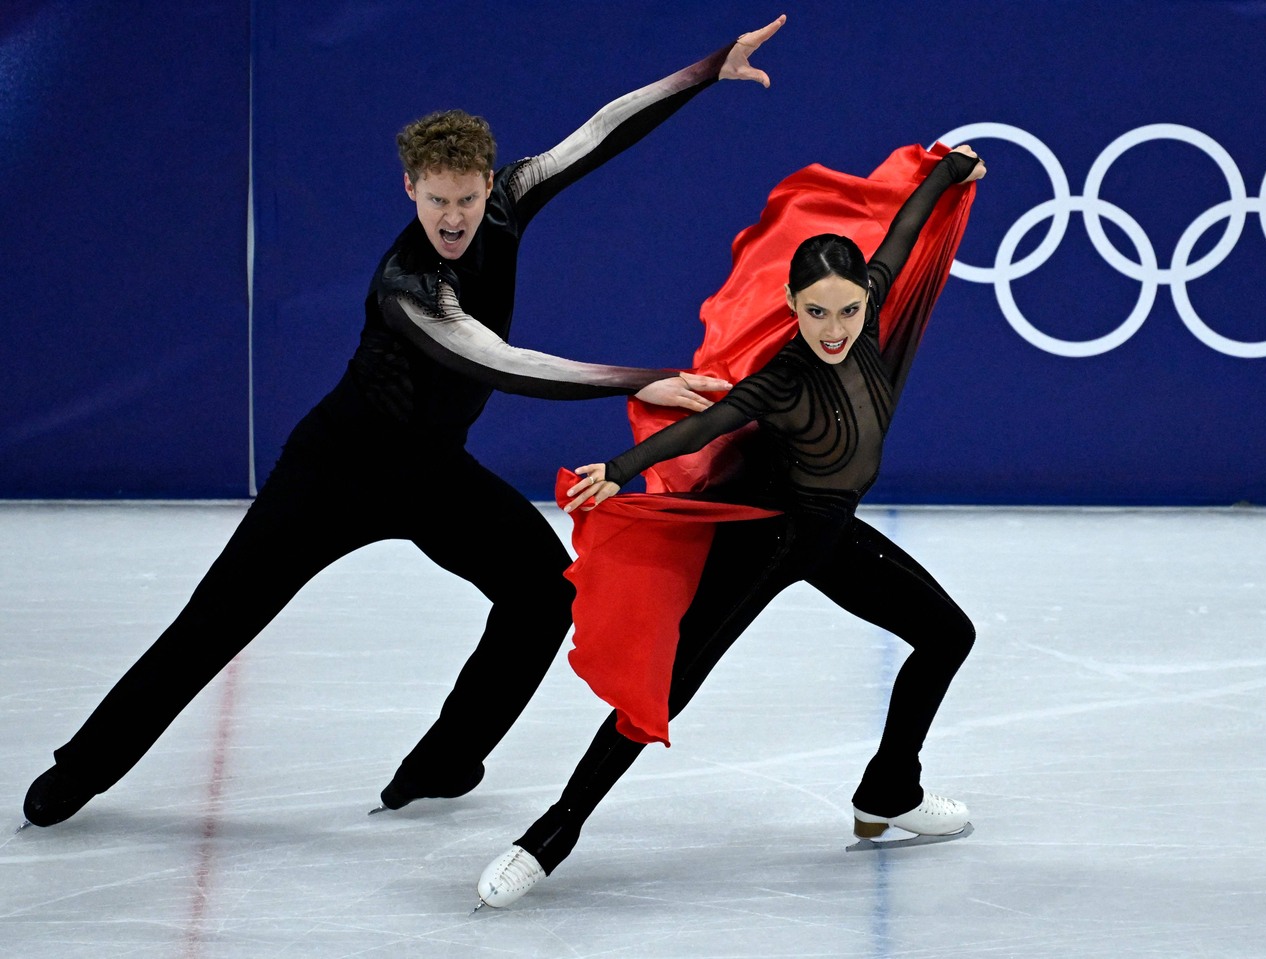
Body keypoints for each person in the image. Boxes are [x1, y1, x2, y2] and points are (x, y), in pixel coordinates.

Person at [21, 16, 787, 829]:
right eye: (435, 200)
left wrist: (705, 70)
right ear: (409, 190)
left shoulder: (509, 205)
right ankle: (80, 769)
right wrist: (650, 379)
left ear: (490, 184)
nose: (452, 217)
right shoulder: (407, 284)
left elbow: (596, 133)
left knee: (541, 589)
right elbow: (498, 360)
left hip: (429, 471)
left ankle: (445, 759)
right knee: (213, 624)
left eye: (465, 197)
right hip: (333, 472)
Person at [473, 142, 986, 907]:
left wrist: (947, 171)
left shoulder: (871, 309)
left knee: (948, 633)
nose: (834, 327)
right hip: (764, 540)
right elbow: (707, 423)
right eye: (815, 312)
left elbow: (903, 233)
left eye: (847, 309)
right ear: (793, 305)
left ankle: (889, 789)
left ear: (866, 298)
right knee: (663, 694)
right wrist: (618, 467)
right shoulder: (782, 378)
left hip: (829, 536)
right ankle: (548, 835)